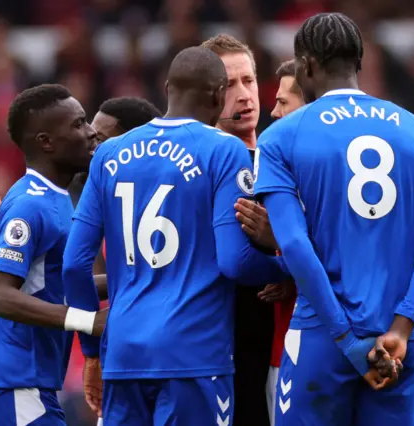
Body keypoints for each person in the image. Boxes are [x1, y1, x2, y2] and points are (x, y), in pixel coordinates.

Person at [61, 46, 289, 426]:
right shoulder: (223, 149)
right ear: (218, 95)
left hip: (123, 353)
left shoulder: (109, 154)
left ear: (167, 88)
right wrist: (285, 267)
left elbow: (73, 265)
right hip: (194, 356)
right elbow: (235, 261)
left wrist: (93, 353)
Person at [254, 12, 414, 426]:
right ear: (359, 63)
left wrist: (346, 339)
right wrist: (404, 325)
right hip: (399, 342)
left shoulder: (280, 137)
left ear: (306, 66)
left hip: (321, 338)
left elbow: (294, 244)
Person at [0, 84, 105, 425]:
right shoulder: (31, 204)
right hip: (15, 387)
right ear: (46, 141)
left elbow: (51, 284)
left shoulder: (53, 198)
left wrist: (133, 281)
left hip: (30, 386)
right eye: (78, 124)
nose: (91, 132)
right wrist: (88, 321)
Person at [202, 33, 276, 426]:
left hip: (281, 344)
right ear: (207, 95)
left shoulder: (283, 159)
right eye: (229, 85)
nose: (245, 95)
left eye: (248, 80)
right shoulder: (197, 168)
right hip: (221, 345)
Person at [76, 96, 162, 422]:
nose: (91, 147)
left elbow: (76, 267)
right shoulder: (109, 200)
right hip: (148, 352)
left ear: (134, 143)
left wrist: (91, 354)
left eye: (101, 140)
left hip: (142, 354)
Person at [265, 59, 304, 426]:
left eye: (282, 102)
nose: (273, 111)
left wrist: (278, 246)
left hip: (309, 351)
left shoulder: (315, 179)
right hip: (282, 346)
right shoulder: (275, 173)